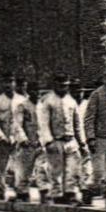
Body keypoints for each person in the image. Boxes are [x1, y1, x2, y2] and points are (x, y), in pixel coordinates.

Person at [38, 73, 85, 204]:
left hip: (70, 140)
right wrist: (48, 141)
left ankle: (70, 194)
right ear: (55, 85)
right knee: (56, 171)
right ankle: (57, 196)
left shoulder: (71, 101)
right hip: (56, 140)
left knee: (72, 169)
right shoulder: (48, 102)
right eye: (60, 86)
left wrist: (82, 142)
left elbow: (77, 124)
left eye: (65, 86)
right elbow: (44, 123)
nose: (63, 89)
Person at [82, 64, 106, 203]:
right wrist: (90, 138)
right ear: (105, 77)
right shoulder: (97, 94)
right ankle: (88, 191)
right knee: (98, 171)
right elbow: (89, 118)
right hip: (99, 138)